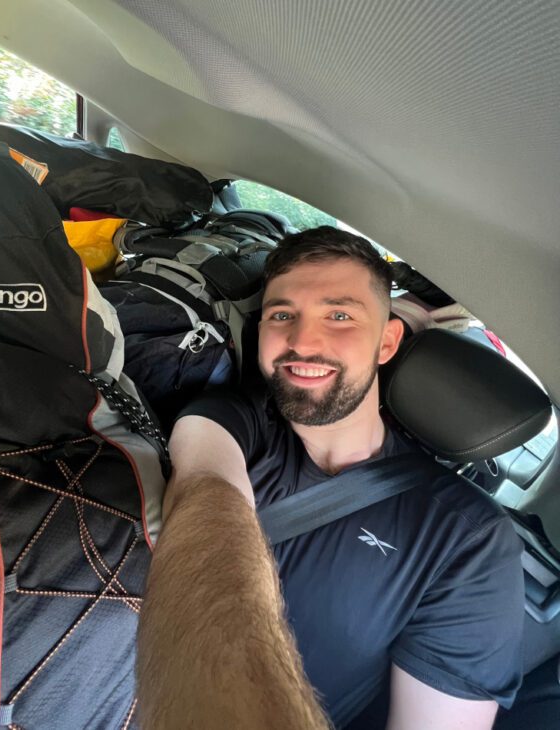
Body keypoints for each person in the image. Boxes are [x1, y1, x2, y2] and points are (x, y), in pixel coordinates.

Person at [137, 227, 524, 729]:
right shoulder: (229, 417)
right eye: (282, 315)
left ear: (386, 342)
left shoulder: (467, 537)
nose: (303, 342)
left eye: (339, 315)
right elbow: (205, 487)